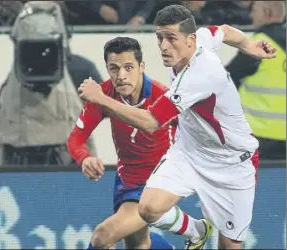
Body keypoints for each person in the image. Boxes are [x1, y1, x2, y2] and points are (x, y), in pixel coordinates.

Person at [77, 5, 276, 250]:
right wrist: (247, 45)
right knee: (149, 208)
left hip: (232, 163)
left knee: (230, 247)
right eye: (160, 37)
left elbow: (150, 122)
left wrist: (100, 98)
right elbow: (223, 31)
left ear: (190, 40)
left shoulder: (200, 75)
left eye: (171, 38)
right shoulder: (200, 39)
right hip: (190, 152)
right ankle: (198, 231)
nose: (163, 46)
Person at [67, 37, 176, 249]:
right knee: (139, 244)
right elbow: (75, 139)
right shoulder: (104, 93)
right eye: (114, 69)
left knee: (102, 236)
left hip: (159, 183)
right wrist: (84, 157)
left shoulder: (162, 95)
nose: (121, 76)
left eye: (128, 67)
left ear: (141, 66)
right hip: (127, 182)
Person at [226, 1, 286, 160]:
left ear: (267, 13)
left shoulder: (259, 45)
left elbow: (227, 78)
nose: (251, 14)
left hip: (260, 136)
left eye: (255, 10)